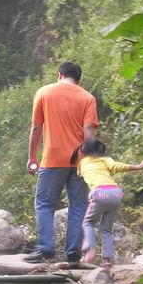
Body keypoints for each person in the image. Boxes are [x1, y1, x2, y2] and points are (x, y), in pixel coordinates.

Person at [25, 61, 99, 264]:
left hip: (53, 159)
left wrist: (32, 156)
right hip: (80, 161)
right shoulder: (87, 98)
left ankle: (46, 249)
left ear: (59, 75)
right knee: (78, 206)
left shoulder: (44, 92)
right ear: (79, 79)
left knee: (44, 204)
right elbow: (89, 132)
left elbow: (36, 128)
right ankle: (73, 252)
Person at [71, 138, 143, 267]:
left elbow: (81, 173)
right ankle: (107, 261)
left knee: (88, 223)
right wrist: (138, 166)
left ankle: (90, 251)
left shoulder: (83, 163)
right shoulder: (106, 160)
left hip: (99, 193)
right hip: (116, 193)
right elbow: (118, 166)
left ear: (84, 151)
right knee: (106, 230)